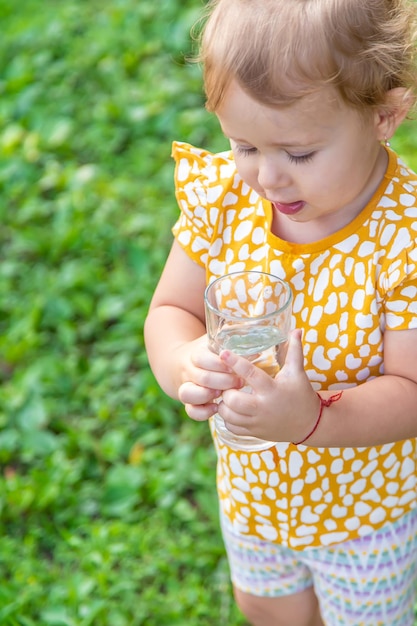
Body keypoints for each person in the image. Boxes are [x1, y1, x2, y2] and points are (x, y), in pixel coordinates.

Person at [144, 0, 417, 624]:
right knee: (268, 610)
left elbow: (411, 387)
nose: (267, 177)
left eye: (298, 155)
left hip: (362, 513)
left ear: (385, 114)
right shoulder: (226, 200)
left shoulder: (405, 239)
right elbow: (170, 309)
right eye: (244, 145)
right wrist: (185, 362)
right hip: (254, 496)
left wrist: (310, 419)